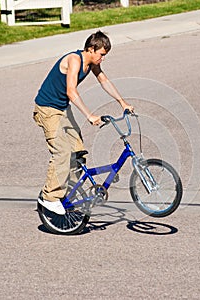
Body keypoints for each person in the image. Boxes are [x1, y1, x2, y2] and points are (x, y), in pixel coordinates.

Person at [33, 31, 134, 215]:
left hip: (62, 109)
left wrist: (122, 102)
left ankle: (67, 193)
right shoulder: (75, 60)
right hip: (48, 109)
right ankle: (50, 197)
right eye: (102, 54)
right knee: (62, 151)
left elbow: (104, 81)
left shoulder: (91, 64)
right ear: (91, 49)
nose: (102, 59)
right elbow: (71, 91)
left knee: (78, 154)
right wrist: (89, 115)